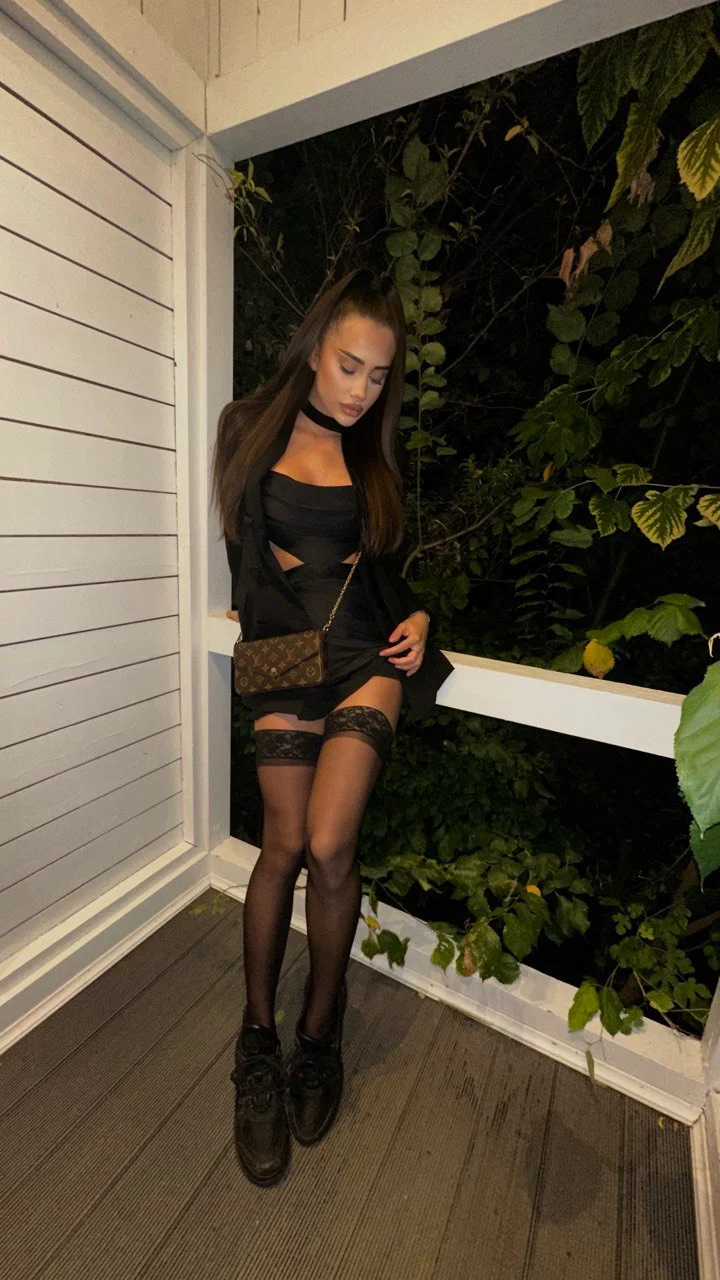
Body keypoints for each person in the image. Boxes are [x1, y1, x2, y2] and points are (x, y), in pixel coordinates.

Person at [211, 266, 454, 1186]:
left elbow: (389, 570)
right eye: (350, 365)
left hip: (363, 660)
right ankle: (258, 1040)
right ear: (316, 349)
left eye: (378, 375)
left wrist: (420, 617)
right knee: (280, 846)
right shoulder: (246, 427)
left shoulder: (374, 461)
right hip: (284, 658)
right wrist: (250, 607)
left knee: (329, 843)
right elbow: (240, 543)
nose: (360, 390)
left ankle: (319, 1033)